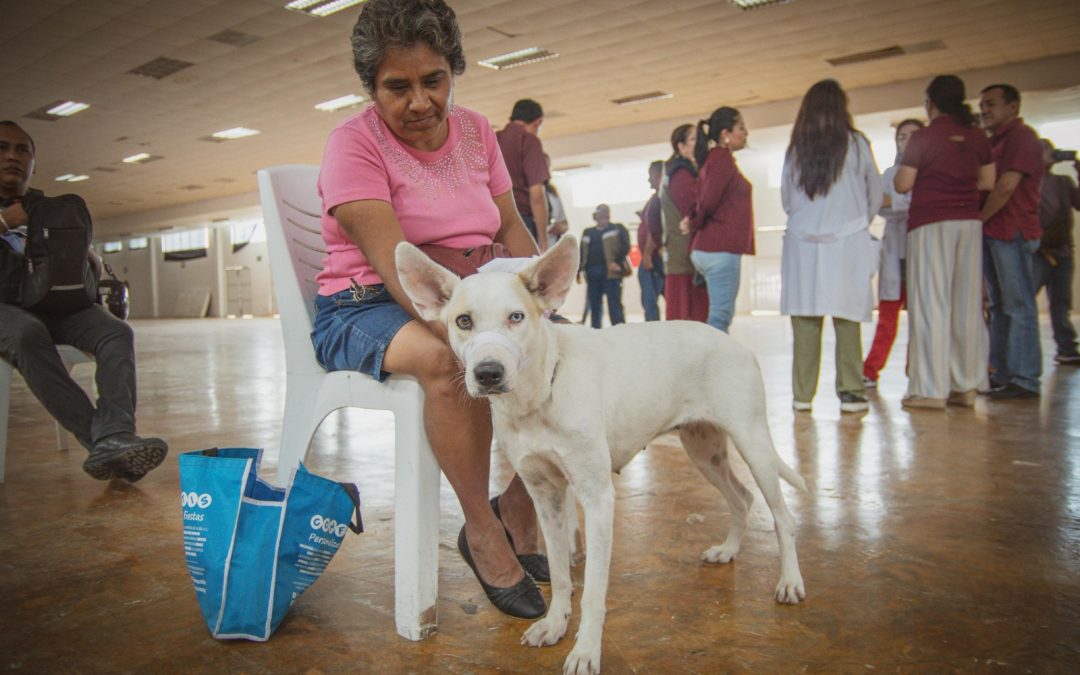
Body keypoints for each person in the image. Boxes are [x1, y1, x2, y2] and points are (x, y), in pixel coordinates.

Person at [311, 0, 546, 619]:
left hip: (473, 294)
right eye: (398, 86)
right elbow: (398, 271)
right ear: (371, 87)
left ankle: (518, 504)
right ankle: (481, 528)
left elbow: (512, 229)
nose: (419, 101)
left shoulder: (475, 131)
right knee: (450, 360)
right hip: (364, 305)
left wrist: (540, 307)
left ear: (453, 73)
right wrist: (479, 333)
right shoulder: (352, 144)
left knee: (560, 352)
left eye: (433, 81)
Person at [0, 121, 167, 481]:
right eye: (2, 148)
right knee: (28, 335)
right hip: (6, 309)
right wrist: (3, 221)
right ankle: (103, 441)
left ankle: (115, 436)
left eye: (22, 149)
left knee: (115, 332)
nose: (12, 156)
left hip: (57, 303)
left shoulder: (50, 209)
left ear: (34, 162)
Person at [780, 80, 882, 414]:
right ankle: (851, 391)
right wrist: (853, 224)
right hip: (847, 241)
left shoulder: (795, 150)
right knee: (847, 316)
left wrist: (810, 224)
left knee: (805, 320)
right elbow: (874, 194)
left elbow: (786, 199)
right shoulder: (856, 144)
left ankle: (802, 395)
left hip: (802, 244)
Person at [893, 76, 996, 409]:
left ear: (930, 102)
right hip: (968, 223)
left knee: (930, 303)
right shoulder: (977, 136)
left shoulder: (924, 137)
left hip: (931, 222)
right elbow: (988, 181)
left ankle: (929, 389)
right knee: (966, 305)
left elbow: (903, 183)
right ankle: (965, 385)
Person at [979, 83, 1044, 399]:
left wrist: (979, 219)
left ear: (1013, 106)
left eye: (991, 103)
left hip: (1012, 232)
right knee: (1001, 306)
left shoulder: (1022, 137)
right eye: (982, 105)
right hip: (995, 234)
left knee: (1019, 305)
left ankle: (1025, 379)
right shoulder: (993, 142)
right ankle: (1003, 374)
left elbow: (1005, 187)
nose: (984, 110)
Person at [680, 107, 754, 333]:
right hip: (719, 248)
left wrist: (692, 220)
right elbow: (709, 200)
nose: (746, 132)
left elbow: (703, 198)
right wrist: (693, 221)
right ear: (725, 133)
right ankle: (712, 365)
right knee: (720, 316)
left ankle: (713, 362)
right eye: (741, 127)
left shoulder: (717, 160)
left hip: (713, 248)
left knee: (719, 314)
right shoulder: (721, 159)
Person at [863, 119, 925, 388]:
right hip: (895, 252)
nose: (907, 141)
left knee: (923, 317)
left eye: (913, 135)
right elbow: (880, 204)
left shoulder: (930, 173)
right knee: (887, 317)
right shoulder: (888, 174)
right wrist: (899, 202)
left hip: (922, 249)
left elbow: (902, 204)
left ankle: (919, 371)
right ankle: (870, 370)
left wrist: (894, 201)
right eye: (902, 137)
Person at [1035, 139, 1080, 365]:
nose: (1049, 154)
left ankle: (1067, 347)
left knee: (1061, 302)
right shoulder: (1026, 182)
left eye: (1050, 150)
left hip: (1063, 251)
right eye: (1043, 150)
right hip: (1036, 251)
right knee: (1022, 300)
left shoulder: (1063, 182)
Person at [660, 123, 708, 322]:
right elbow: (694, 210)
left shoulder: (683, 172)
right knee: (685, 313)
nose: (701, 144)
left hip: (684, 253)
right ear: (681, 147)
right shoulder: (681, 174)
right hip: (684, 255)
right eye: (694, 139)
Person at [496, 99, 549, 251]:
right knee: (524, 273)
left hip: (492, 222)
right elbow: (537, 195)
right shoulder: (528, 141)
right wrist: (543, 242)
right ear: (538, 122)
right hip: (520, 223)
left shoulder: (493, 139)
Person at [578, 204, 629, 328]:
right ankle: (596, 331)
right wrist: (579, 270)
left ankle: (620, 331)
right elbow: (581, 251)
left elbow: (625, 245)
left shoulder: (617, 228)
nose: (603, 216)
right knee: (595, 305)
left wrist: (617, 262)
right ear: (595, 216)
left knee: (615, 304)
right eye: (600, 213)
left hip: (611, 273)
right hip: (592, 273)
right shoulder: (588, 232)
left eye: (605, 213)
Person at [637, 160, 665, 321]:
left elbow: (654, 229)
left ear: (659, 174)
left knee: (650, 301)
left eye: (651, 175)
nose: (649, 180)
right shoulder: (655, 198)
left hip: (652, 259)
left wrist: (647, 255)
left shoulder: (659, 198)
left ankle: (654, 332)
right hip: (652, 257)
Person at [543, 153, 569, 244]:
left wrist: (560, 228)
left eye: (547, 167)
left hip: (553, 243)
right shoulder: (523, 194)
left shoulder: (552, 193)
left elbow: (564, 223)